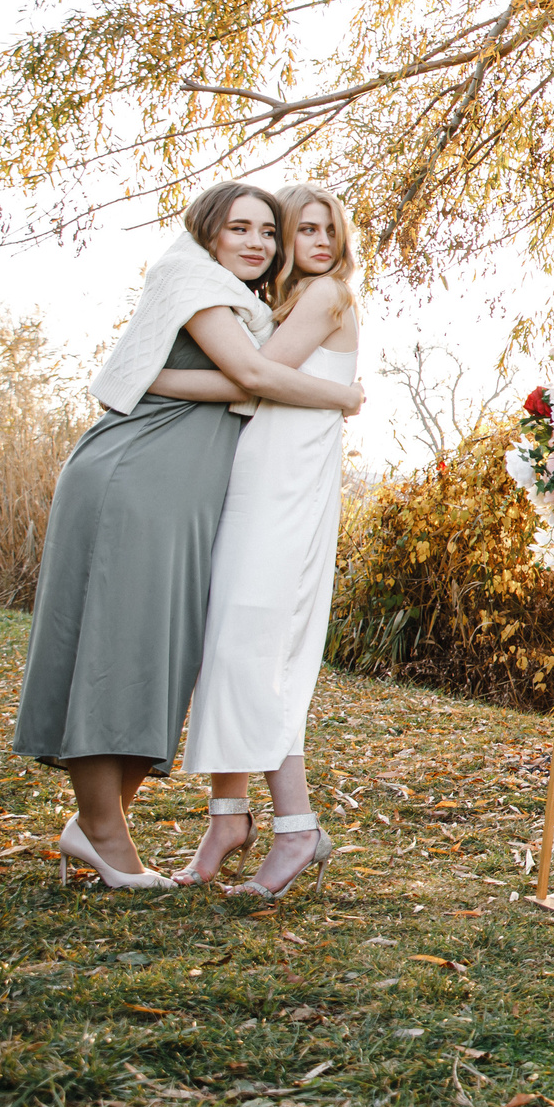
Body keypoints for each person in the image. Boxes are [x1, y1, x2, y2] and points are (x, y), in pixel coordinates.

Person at [12, 183, 366, 889]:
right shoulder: (199, 281)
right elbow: (252, 375)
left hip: (195, 494)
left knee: (167, 655)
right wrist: (343, 396)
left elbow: (239, 374)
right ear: (208, 232)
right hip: (139, 478)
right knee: (121, 648)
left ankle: (114, 821)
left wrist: (152, 377)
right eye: (243, 228)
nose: (259, 242)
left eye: (269, 230)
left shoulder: (262, 302)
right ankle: (112, 832)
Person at [166, 183, 361, 897]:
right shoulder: (283, 298)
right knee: (228, 644)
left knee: (259, 651)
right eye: (299, 230)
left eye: (326, 228)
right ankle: (227, 815)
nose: (317, 242)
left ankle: (298, 826)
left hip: (287, 492)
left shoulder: (325, 294)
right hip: (253, 488)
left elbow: (247, 379)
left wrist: (152, 379)